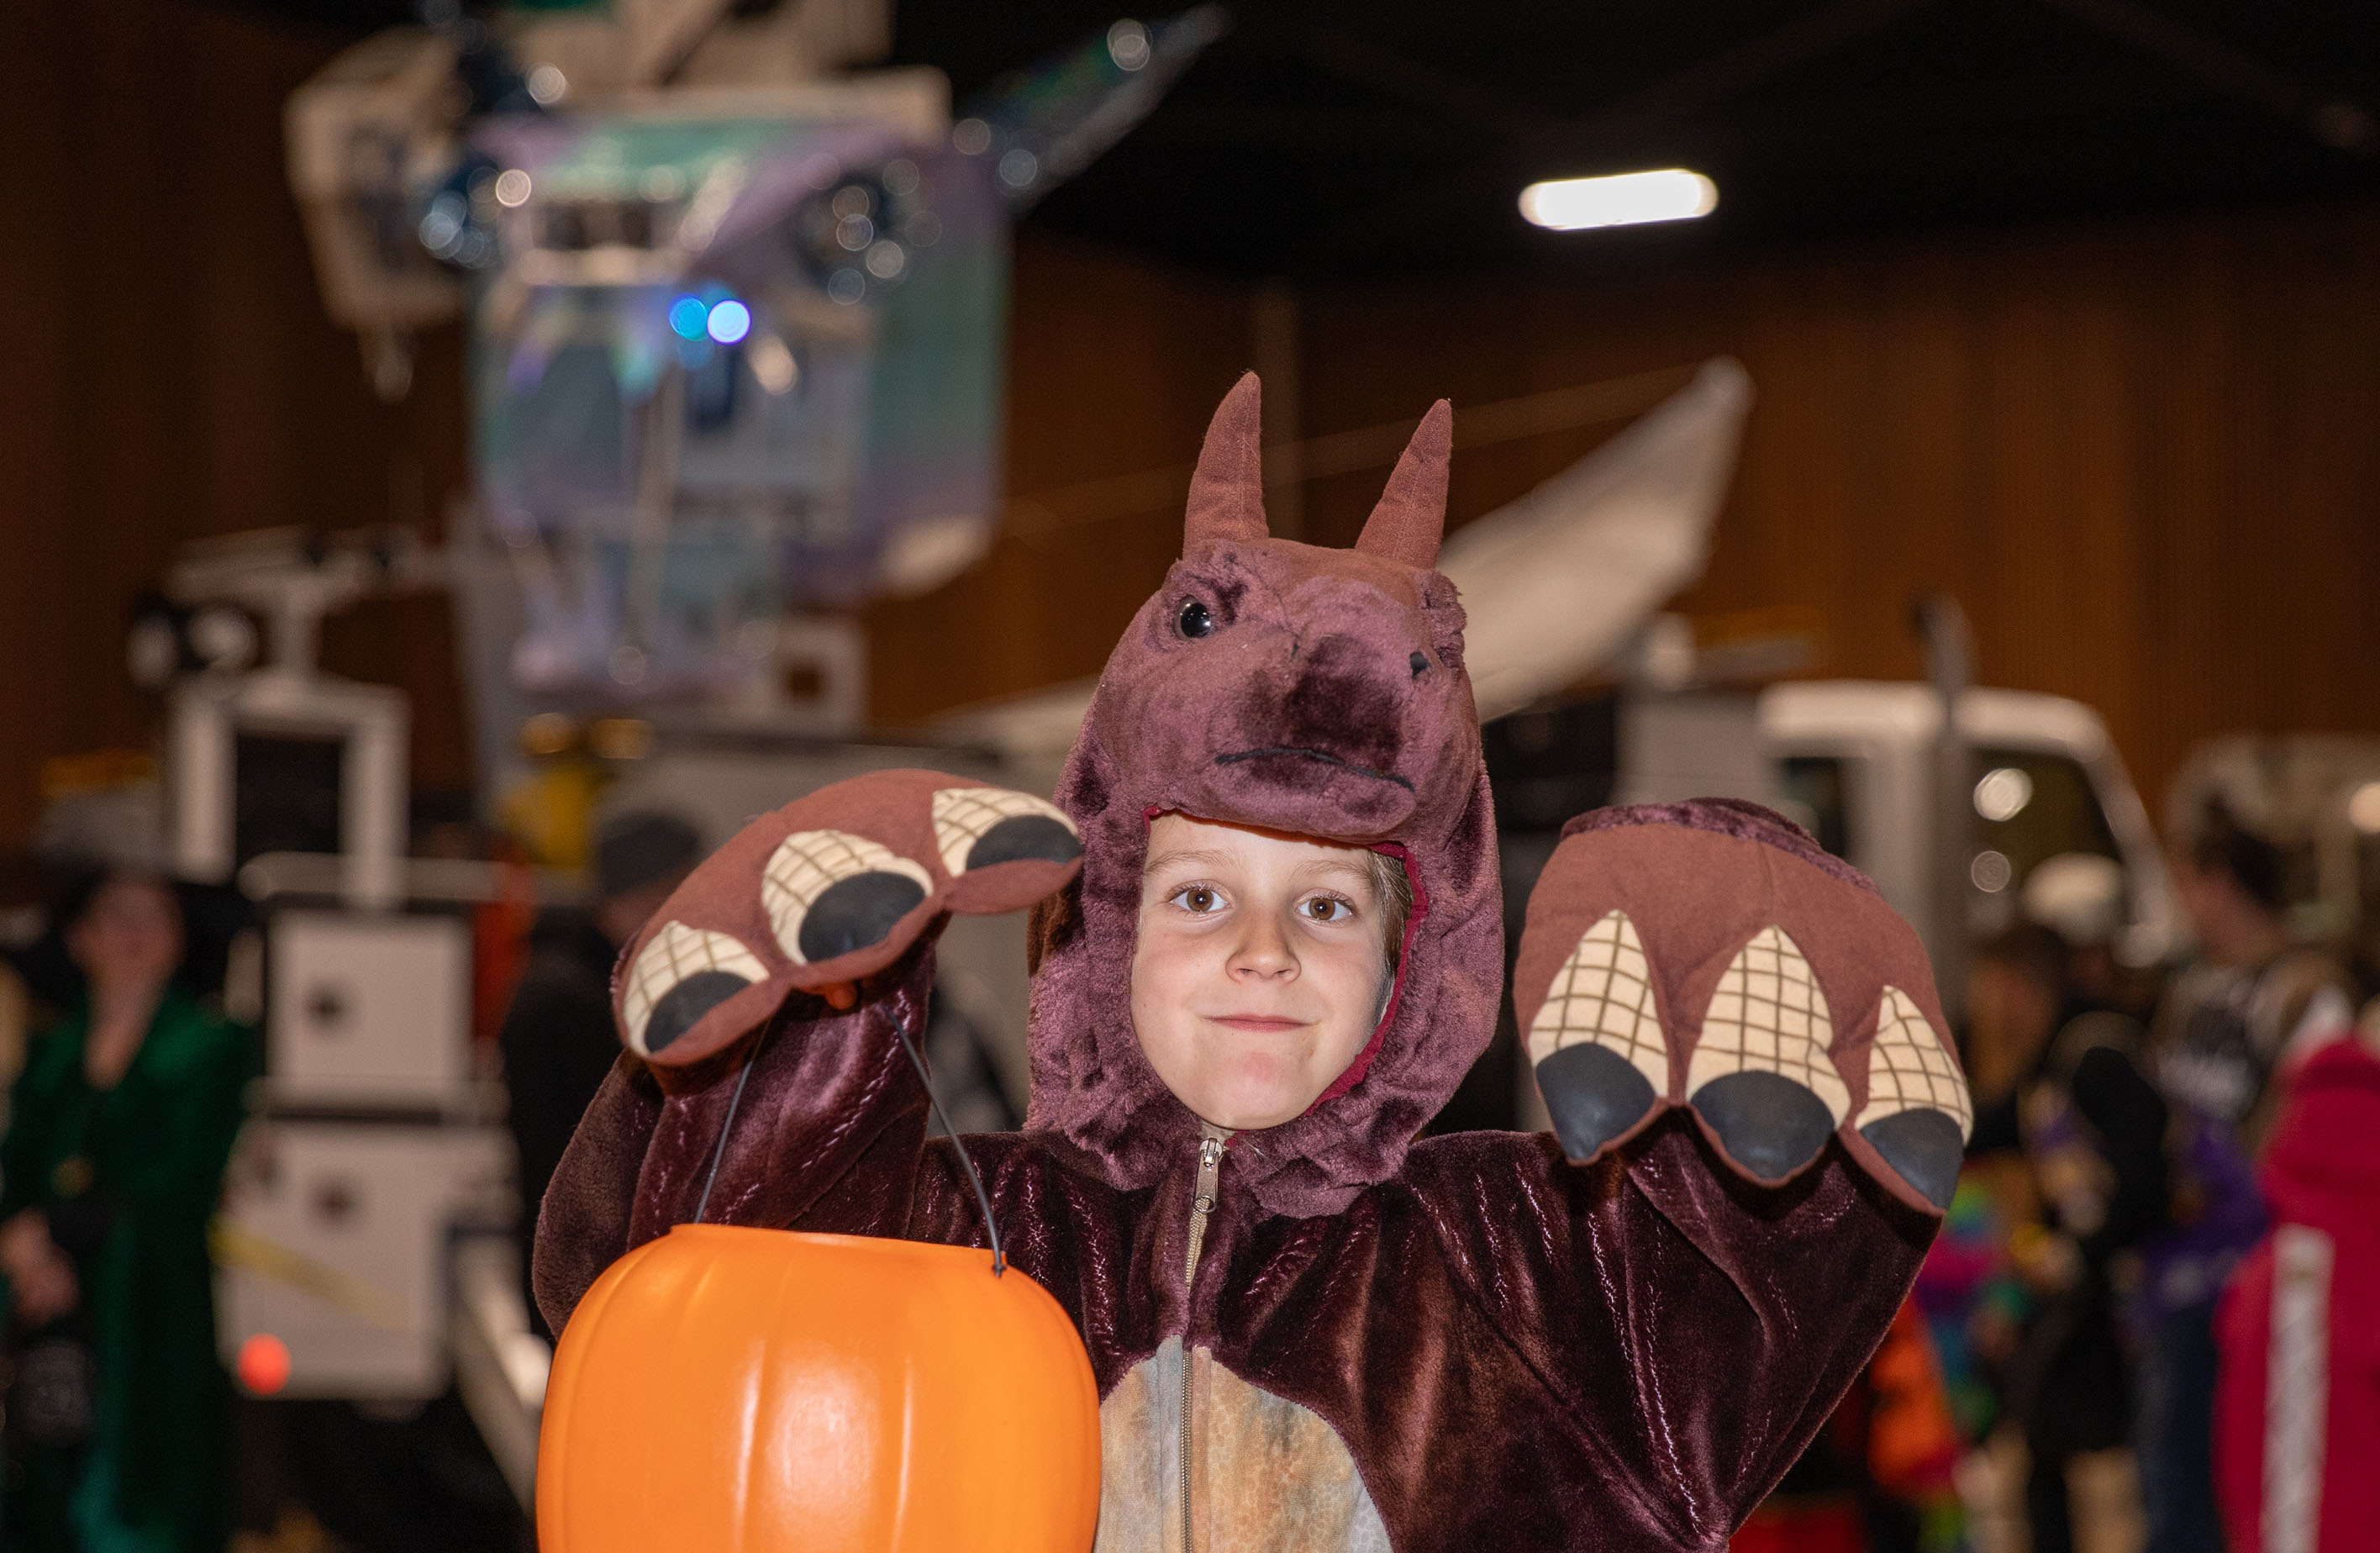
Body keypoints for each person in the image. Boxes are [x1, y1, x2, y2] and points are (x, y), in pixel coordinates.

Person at [533, 377, 1968, 1550]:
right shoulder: (966, 1230)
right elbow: (665, 1313)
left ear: (1416, 961)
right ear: (1102, 930)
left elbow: (1753, 1273)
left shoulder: (1534, 1273)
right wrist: (793, 1056)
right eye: (1201, 893)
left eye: (1331, 909)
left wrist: (1739, 917)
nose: (1265, 952)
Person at [0, 870, 257, 1553]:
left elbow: (181, 1178)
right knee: (45, 1470)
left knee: (152, 1484)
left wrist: (52, 1229)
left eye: (155, 918)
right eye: (118, 916)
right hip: (49, 1308)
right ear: (80, 937)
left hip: (150, 1303)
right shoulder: (52, 1054)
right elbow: (20, 1169)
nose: (135, 935)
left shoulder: (209, 1046)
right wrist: (27, 1250)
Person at [2138, 802, 2353, 1553]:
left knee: (2234, 1480)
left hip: (2259, 1271)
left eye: (2188, 882)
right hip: (2179, 1268)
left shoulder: (2304, 989)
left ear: (2220, 883)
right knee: (2169, 1476)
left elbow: (2317, 1136)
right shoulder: (2191, 990)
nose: (2182, 904)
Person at [1964, 924, 2167, 1553]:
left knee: (2127, 1468)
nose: (1985, 1017)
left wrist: (2079, 1252)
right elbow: (1978, 1133)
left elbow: (2144, 1184)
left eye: (1992, 994)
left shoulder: (2096, 1056)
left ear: (2022, 989)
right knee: (2045, 1454)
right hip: (2089, 1295)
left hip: (2137, 1302)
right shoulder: (2045, 1071)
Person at [497, 808, 699, 1337]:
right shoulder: (576, 1000)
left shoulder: (573, 985)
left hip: (589, 1270)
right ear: (654, 893)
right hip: (594, 1276)